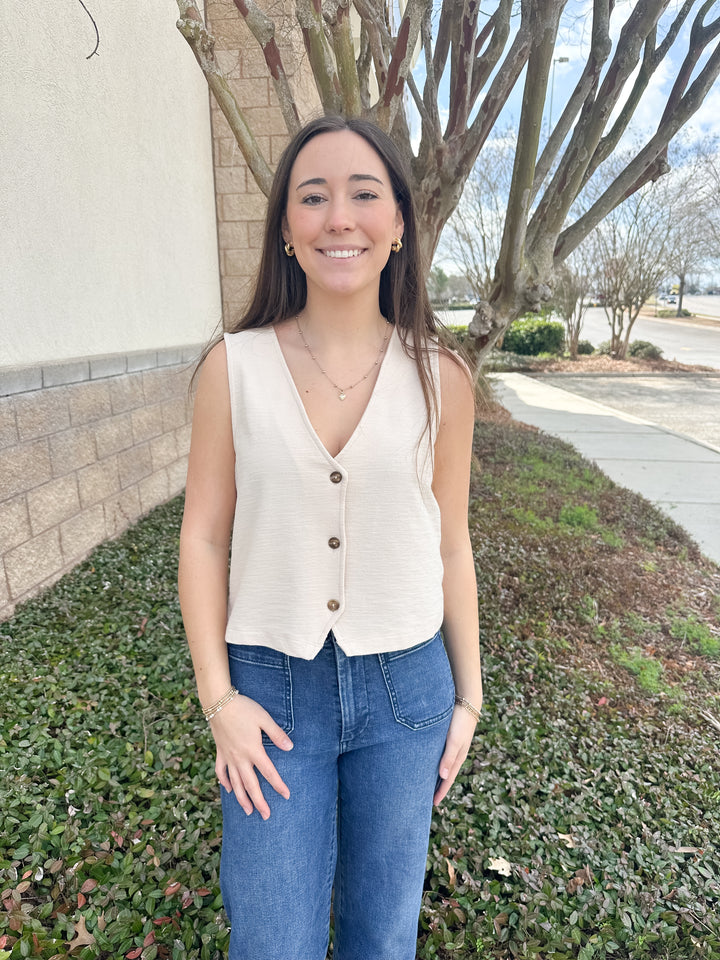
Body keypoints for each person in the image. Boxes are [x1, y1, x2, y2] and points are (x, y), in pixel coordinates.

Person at [178, 114, 483, 960]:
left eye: (363, 195)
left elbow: (450, 542)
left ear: (396, 228)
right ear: (285, 229)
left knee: (382, 942)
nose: (337, 217)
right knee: (273, 943)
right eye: (313, 197)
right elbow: (203, 537)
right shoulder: (231, 369)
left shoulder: (442, 377)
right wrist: (219, 702)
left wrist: (470, 697)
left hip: (406, 692)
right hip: (270, 697)